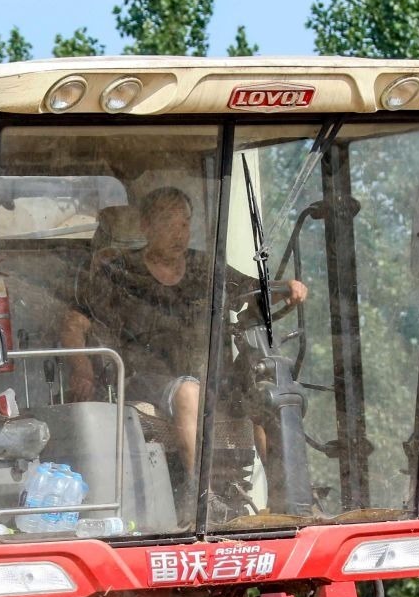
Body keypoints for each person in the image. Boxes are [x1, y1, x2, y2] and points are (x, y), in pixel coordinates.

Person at [58, 185, 306, 480]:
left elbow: (254, 292)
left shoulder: (204, 267)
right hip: (145, 378)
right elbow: (74, 324)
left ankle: (286, 496)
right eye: (169, 223)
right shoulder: (121, 272)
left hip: (212, 378)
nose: (180, 233)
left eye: (185, 224)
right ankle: (202, 497)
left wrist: (285, 288)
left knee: (266, 387)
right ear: (146, 226)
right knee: (189, 391)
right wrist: (82, 371)